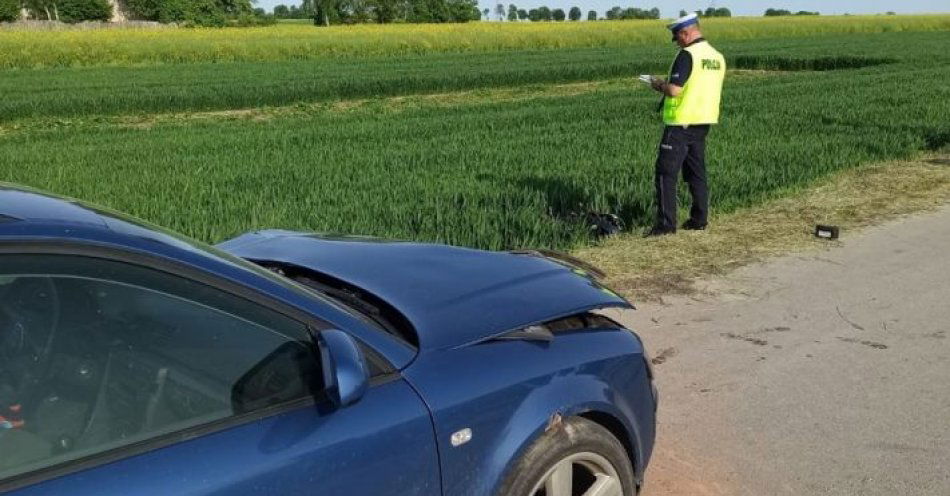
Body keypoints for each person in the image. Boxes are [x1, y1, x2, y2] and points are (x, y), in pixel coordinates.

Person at [646, 13, 725, 236]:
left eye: (677, 37)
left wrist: (658, 84)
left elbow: (675, 90)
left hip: (680, 122)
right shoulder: (716, 56)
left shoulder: (687, 55)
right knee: (696, 171)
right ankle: (699, 219)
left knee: (665, 173)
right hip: (703, 121)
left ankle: (665, 225)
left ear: (686, 32)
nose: (677, 42)